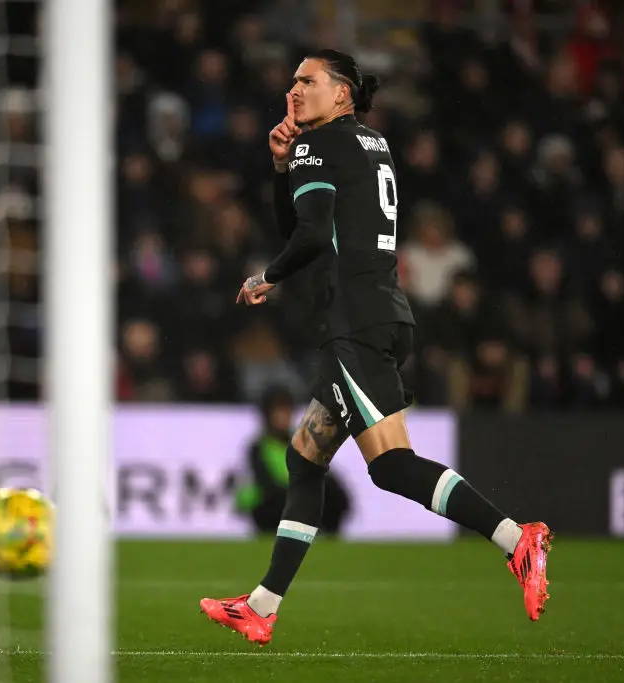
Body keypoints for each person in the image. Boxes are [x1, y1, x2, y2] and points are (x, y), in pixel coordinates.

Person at [199, 49, 552, 646]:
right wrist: (283, 167)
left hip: (355, 322)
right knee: (304, 457)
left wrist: (268, 275)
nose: (294, 90)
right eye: (292, 82)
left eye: (308, 81)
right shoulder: (371, 142)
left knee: (390, 465)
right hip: (380, 312)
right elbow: (311, 226)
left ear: (341, 93)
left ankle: (518, 540)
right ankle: (260, 606)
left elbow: (307, 235)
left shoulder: (319, 145)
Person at [235, 385, 351, 536]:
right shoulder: (258, 447)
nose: (284, 417)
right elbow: (265, 483)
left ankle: (328, 535)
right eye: (279, 412)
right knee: (279, 499)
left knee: (332, 491)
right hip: (273, 500)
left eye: (287, 411)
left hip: (296, 494)